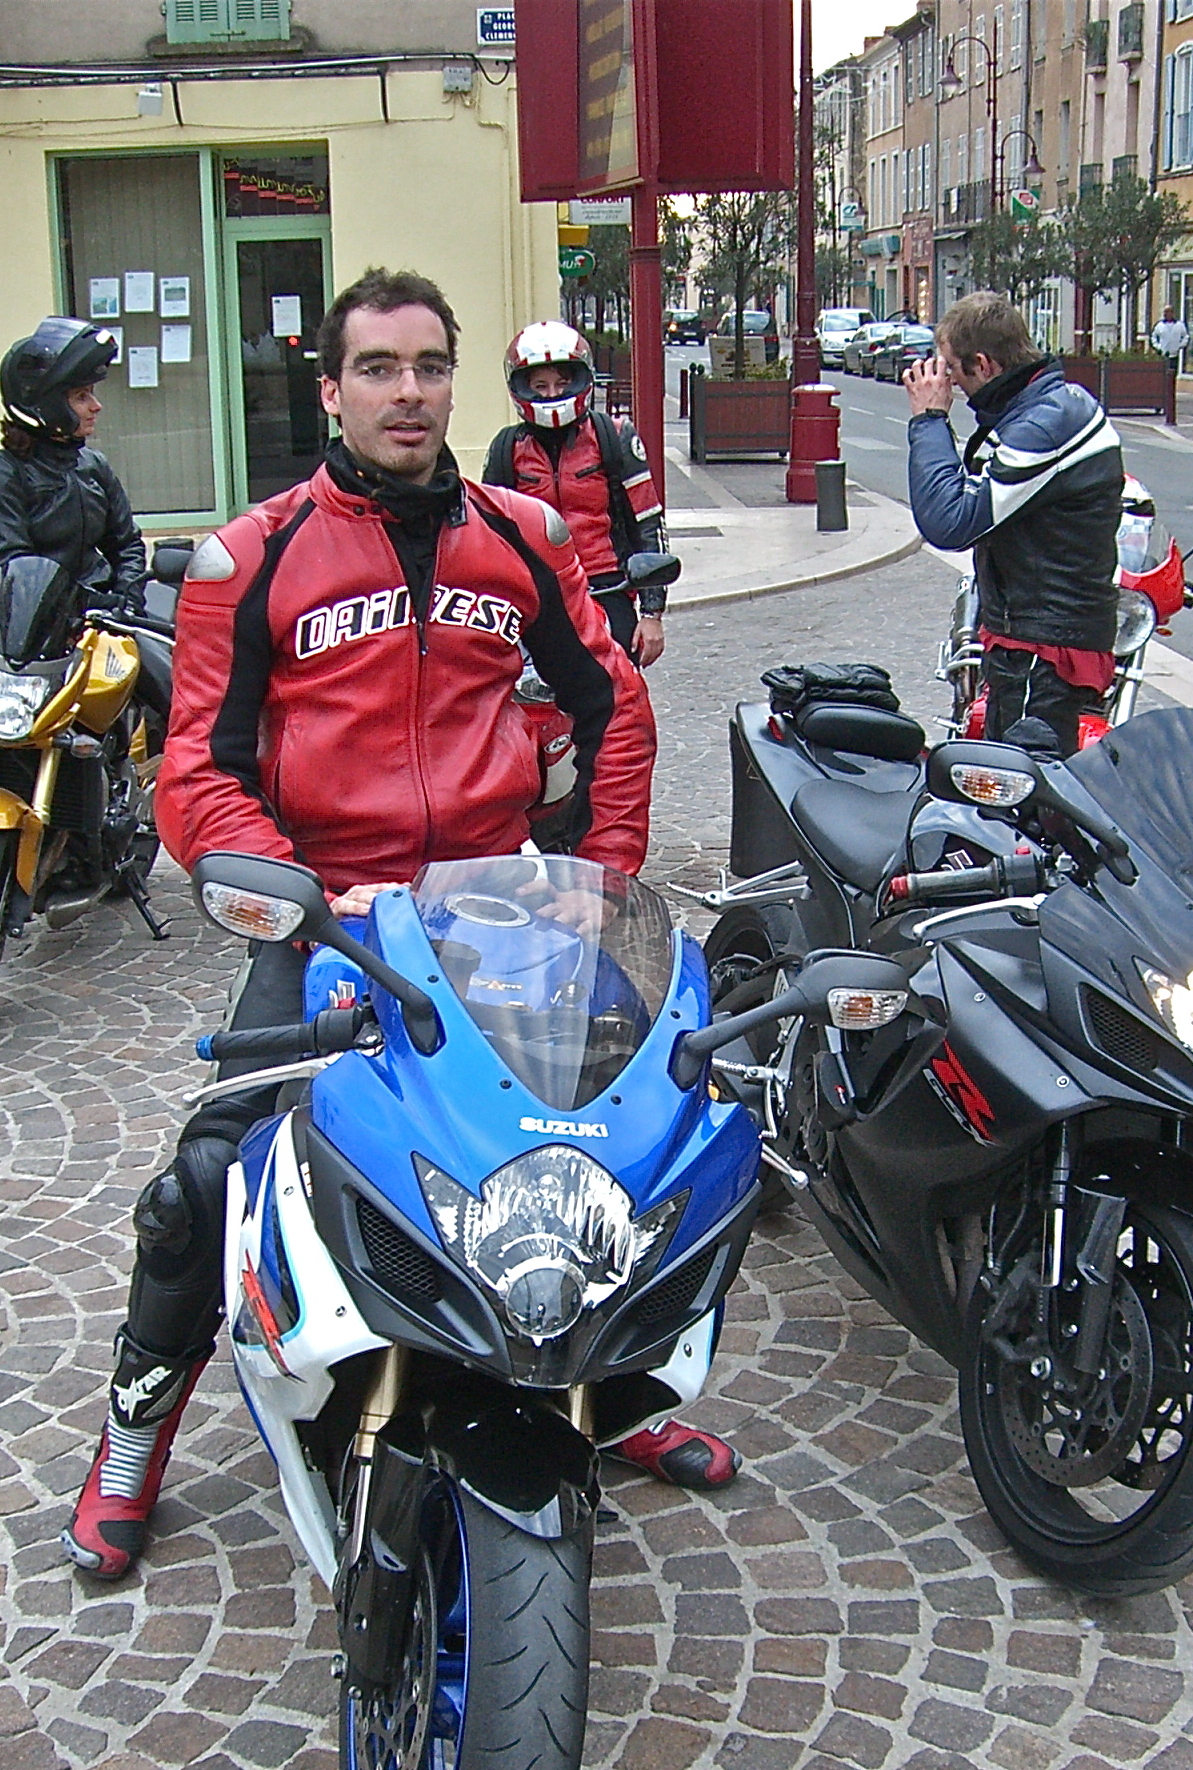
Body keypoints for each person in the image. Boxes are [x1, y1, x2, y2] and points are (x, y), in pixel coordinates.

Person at [62, 267, 735, 1582]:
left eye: (428, 365)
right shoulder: (249, 558)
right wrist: (291, 889)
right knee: (205, 1180)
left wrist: (595, 880)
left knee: (640, 1143)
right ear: (330, 389)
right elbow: (197, 768)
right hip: (331, 918)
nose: (407, 391)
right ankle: (131, 1440)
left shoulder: (523, 536)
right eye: (377, 367)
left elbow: (612, 706)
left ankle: (614, 1381)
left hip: (502, 905)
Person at [903, 290, 1124, 757]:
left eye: (953, 369)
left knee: (1021, 779)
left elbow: (948, 522)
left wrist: (929, 420)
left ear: (984, 365)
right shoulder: (1048, 408)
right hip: (1042, 635)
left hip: (1041, 647)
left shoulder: (1045, 426)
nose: (949, 383)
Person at [483, 322, 669, 668]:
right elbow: (488, 537)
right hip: (537, 597)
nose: (552, 394)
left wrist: (652, 613)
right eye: (540, 386)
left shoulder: (614, 437)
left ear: (581, 381)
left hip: (607, 589)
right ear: (521, 388)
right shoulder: (505, 449)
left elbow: (648, 524)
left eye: (562, 383)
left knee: (623, 695)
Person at [0, 318, 146, 608]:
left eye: (92, 393)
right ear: (47, 404)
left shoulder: (93, 464)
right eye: (81, 397)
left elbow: (126, 545)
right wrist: (72, 605)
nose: (95, 406)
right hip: (31, 618)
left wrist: (126, 597)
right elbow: (8, 562)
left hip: (100, 613)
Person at [1150, 306, 1189, 372]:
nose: (1168, 314)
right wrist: (1158, 347)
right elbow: (1153, 337)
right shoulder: (1159, 325)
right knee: (1163, 372)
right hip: (1163, 354)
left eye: (1170, 312)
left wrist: (1180, 345)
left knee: (1173, 372)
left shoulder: (1179, 325)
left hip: (1175, 355)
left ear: (1173, 313)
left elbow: (1186, 336)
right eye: (1167, 312)